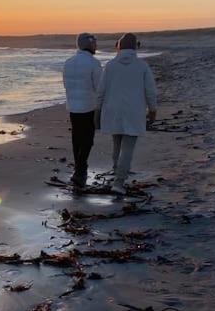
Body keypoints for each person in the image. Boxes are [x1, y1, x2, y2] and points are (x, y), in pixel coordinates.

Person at [96, 33, 157, 194]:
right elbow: (150, 91)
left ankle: (117, 172)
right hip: (134, 111)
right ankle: (119, 181)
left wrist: (98, 109)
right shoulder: (142, 66)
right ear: (136, 47)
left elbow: (101, 91)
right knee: (127, 147)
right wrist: (153, 109)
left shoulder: (110, 66)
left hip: (112, 109)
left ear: (119, 46)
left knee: (117, 143)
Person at [62, 32, 102, 188]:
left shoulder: (68, 62)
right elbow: (99, 87)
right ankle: (80, 170)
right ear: (89, 44)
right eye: (94, 43)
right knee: (87, 139)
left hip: (73, 106)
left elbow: (66, 85)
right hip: (88, 106)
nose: (96, 46)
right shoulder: (93, 63)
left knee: (76, 138)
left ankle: (79, 169)